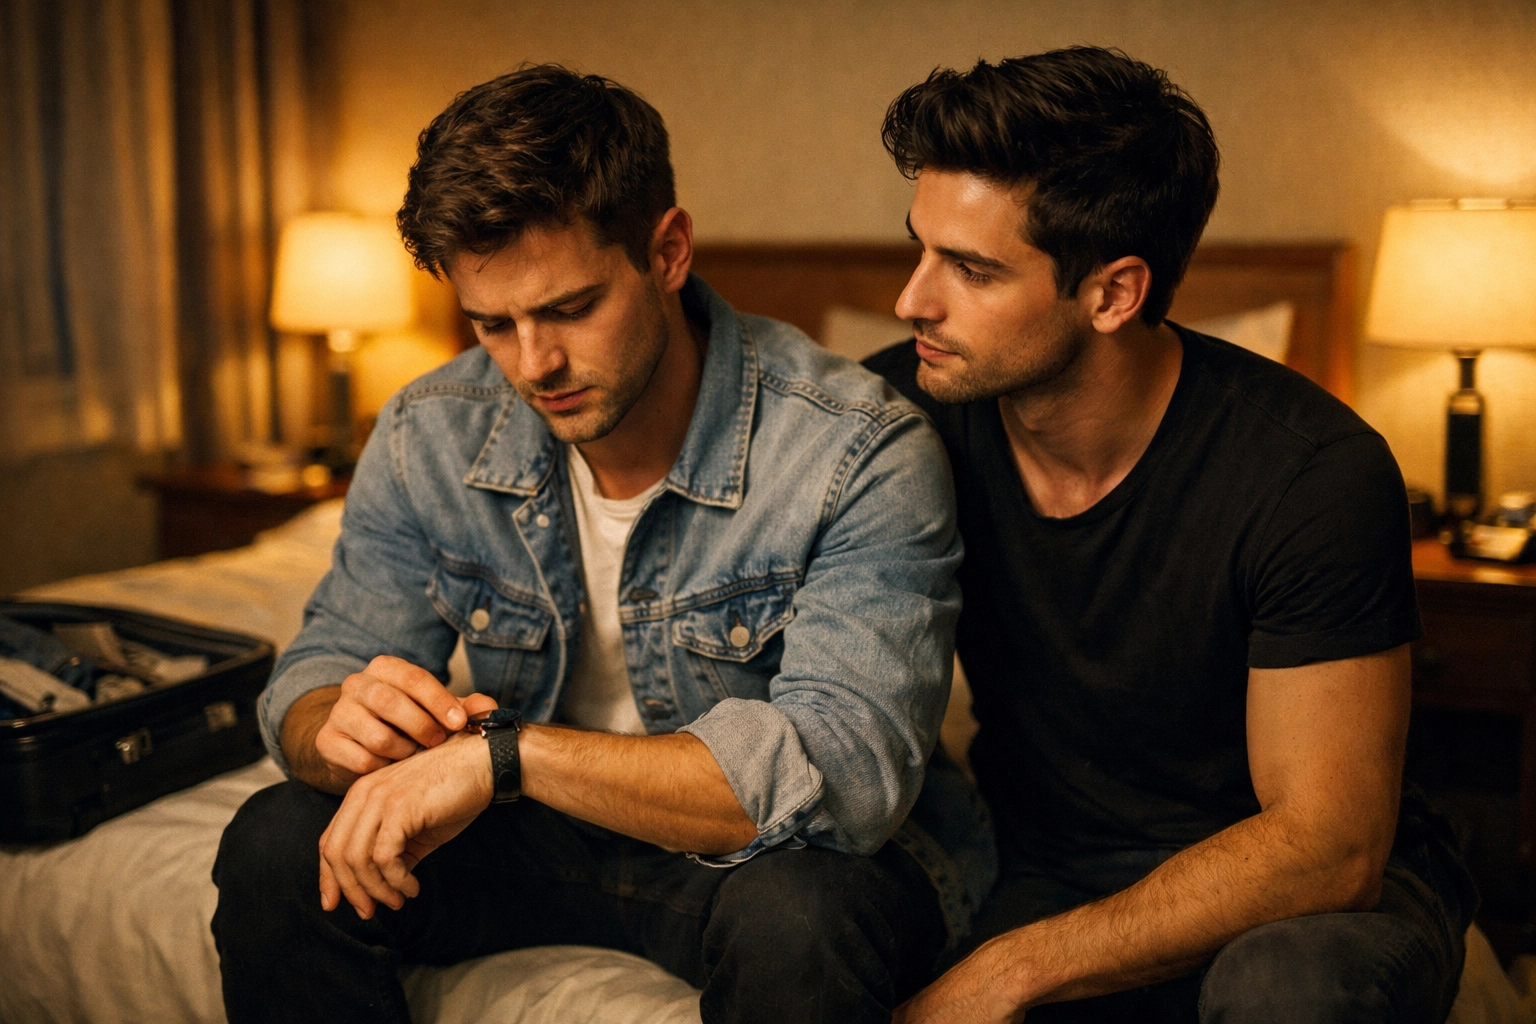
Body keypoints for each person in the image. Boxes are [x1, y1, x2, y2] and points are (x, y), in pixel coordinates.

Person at [211, 65, 992, 1024]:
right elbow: (312, 675)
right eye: (492, 323)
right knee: (274, 841)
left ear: (667, 252)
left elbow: (847, 776)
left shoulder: (857, 449)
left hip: (767, 863)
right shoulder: (429, 430)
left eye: (570, 310)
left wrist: (505, 758)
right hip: (532, 838)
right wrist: (337, 728)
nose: (533, 365)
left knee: (802, 920)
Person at [866, 47, 1477, 1024]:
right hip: (1046, 865)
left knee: (1288, 992)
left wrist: (1009, 972)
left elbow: (1328, 844)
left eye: (971, 270)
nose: (913, 300)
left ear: (1114, 293)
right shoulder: (896, 415)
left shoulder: (1312, 473)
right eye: (919, 248)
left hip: (1312, 896)